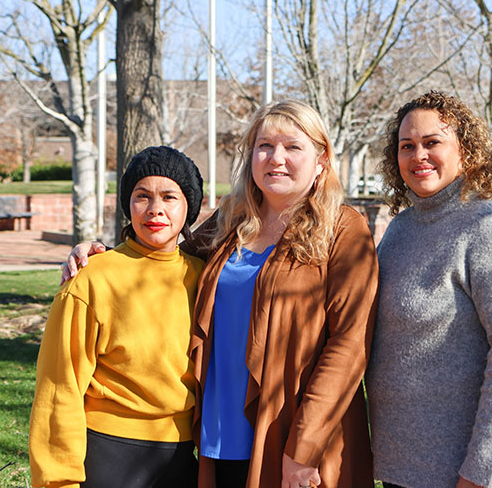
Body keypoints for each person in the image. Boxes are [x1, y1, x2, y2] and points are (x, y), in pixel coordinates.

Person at [63, 101, 378, 488]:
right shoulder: (233, 218)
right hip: (221, 435)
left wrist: (304, 446)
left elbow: (350, 345)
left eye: (293, 147)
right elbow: (163, 255)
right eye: (264, 145)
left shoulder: (343, 228)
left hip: (292, 436)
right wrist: (100, 254)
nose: (276, 158)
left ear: (321, 159)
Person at [366, 91, 492, 488]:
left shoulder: (489, 227)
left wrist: (482, 472)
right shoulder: (400, 230)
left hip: (466, 475)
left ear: (466, 151)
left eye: (433, 143)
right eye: (407, 146)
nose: (418, 155)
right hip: (400, 468)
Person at [29, 146, 206, 488]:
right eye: (143, 196)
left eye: (170, 197)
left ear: (189, 208)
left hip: (182, 456)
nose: (155, 210)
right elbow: (58, 388)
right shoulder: (92, 279)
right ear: (128, 204)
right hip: (107, 454)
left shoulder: (205, 277)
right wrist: (57, 480)